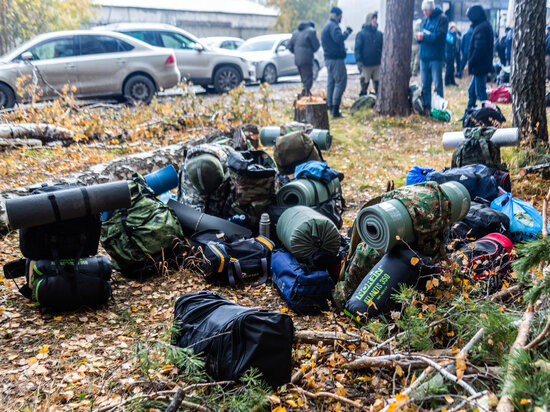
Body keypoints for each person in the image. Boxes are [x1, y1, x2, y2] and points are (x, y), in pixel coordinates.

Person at [415, 0, 448, 113]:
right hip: (424, 57)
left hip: (436, 58)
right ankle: (427, 107)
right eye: (423, 10)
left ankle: (438, 109)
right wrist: (419, 38)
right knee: (425, 85)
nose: (424, 12)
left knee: (437, 85)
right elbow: (422, 36)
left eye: (426, 10)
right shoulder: (424, 20)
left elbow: (440, 37)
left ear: (431, 9)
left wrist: (424, 36)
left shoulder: (442, 19)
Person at [321, 6, 353, 117]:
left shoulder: (327, 26)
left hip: (329, 60)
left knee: (331, 83)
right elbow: (339, 38)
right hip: (336, 60)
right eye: (340, 16)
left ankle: (330, 107)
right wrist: (347, 32)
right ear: (337, 15)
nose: (341, 18)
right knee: (340, 83)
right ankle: (335, 110)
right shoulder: (334, 26)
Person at [465, 5, 494, 112]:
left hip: (480, 66)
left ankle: (487, 114)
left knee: (481, 93)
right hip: (481, 66)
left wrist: (471, 61)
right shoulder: (483, 26)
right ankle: (469, 111)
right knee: (472, 91)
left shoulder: (481, 28)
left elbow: (479, 49)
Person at [288, 20, 320, 97]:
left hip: (297, 59)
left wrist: (296, 52)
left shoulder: (295, 33)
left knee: (304, 78)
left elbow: (289, 46)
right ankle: (305, 94)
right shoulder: (311, 31)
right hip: (307, 59)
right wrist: (310, 50)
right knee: (309, 78)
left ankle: (306, 93)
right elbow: (316, 45)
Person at [354, 11, 383, 96]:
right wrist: (359, 61)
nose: (374, 20)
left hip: (377, 64)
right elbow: (357, 49)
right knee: (364, 85)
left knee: (378, 86)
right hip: (365, 65)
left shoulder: (379, 34)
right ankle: (363, 103)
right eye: (373, 18)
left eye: (375, 18)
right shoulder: (361, 34)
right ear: (368, 20)